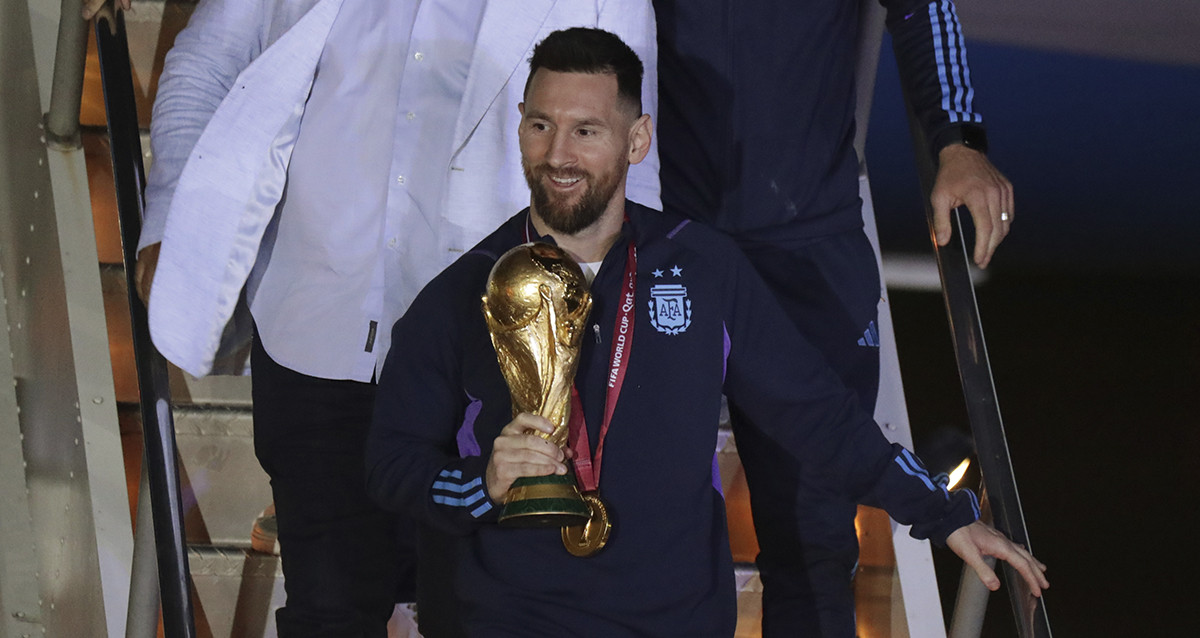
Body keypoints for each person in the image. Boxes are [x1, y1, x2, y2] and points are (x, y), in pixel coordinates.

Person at [366, 27, 1045, 637]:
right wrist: (482, 481)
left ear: (637, 140)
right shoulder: (465, 291)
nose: (558, 154)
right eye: (541, 126)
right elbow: (391, 467)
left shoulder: (702, 268)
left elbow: (818, 416)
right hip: (510, 621)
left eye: (586, 131)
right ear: (519, 128)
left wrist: (944, 513)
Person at [126, 0, 658, 635]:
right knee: (328, 612)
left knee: (483, 616)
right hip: (314, 330)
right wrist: (169, 221)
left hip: (488, 358)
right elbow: (206, 60)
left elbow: (628, 164)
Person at [652, 1, 1015, 633]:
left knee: (812, 549)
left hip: (809, 258)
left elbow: (921, 6)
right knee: (647, 535)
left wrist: (958, 139)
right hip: (672, 245)